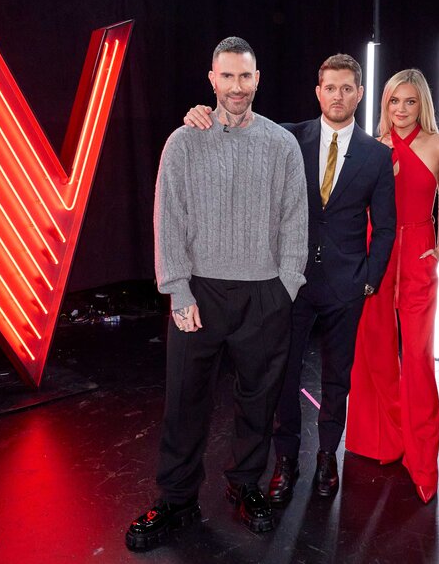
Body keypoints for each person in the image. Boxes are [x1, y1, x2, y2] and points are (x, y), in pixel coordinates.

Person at [184, 54, 396, 504]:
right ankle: (286, 459)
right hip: (290, 284)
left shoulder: (378, 156)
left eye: (347, 88)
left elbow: (387, 224)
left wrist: (368, 280)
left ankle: (326, 456)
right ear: (318, 92)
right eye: (330, 87)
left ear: (359, 93)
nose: (338, 96)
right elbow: (237, 124)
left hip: (346, 285)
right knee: (282, 375)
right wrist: (199, 113)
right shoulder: (287, 138)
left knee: (338, 379)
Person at [126, 36, 308, 550]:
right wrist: (177, 290)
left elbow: (296, 218)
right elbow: (169, 217)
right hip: (199, 294)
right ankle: (177, 499)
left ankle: (246, 487)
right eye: (226, 76)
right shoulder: (184, 140)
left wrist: (286, 285)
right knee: (185, 401)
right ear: (212, 79)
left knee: (258, 402)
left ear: (257, 80)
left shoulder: (281, 144)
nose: (236, 86)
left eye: (244, 76)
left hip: (265, 295)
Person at [344, 69, 439, 504]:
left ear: (421, 103)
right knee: (374, 347)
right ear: (383, 104)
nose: (401, 110)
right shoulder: (373, 148)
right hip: (378, 250)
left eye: (409, 101)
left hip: (419, 250)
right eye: (393, 102)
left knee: (420, 356)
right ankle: (383, 440)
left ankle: (422, 457)